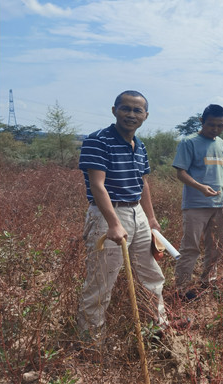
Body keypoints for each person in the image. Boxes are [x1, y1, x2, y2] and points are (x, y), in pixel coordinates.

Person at [77, 90, 168, 345]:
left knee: (152, 274)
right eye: (125, 108)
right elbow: (97, 185)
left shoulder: (139, 145)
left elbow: (143, 182)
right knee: (101, 282)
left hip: (137, 212)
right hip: (109, 214)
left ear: (145, 115)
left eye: (137, 110)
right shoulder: (98, 140)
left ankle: (158, 329)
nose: (131, 114)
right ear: (114, 110)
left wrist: (150, 219)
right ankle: (91, 344)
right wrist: (114, 224)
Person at [173, 104, 223, 301]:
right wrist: (200, 187)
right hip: (195, 205)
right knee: (191, 246)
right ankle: (181, 288)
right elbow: (180, 173)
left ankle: (208, 281)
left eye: (220, 126)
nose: (216, 129)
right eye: (212, 125)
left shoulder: (221, 143)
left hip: (219, 204)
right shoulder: (189, 142)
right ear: (202, 121)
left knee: (217, 245)